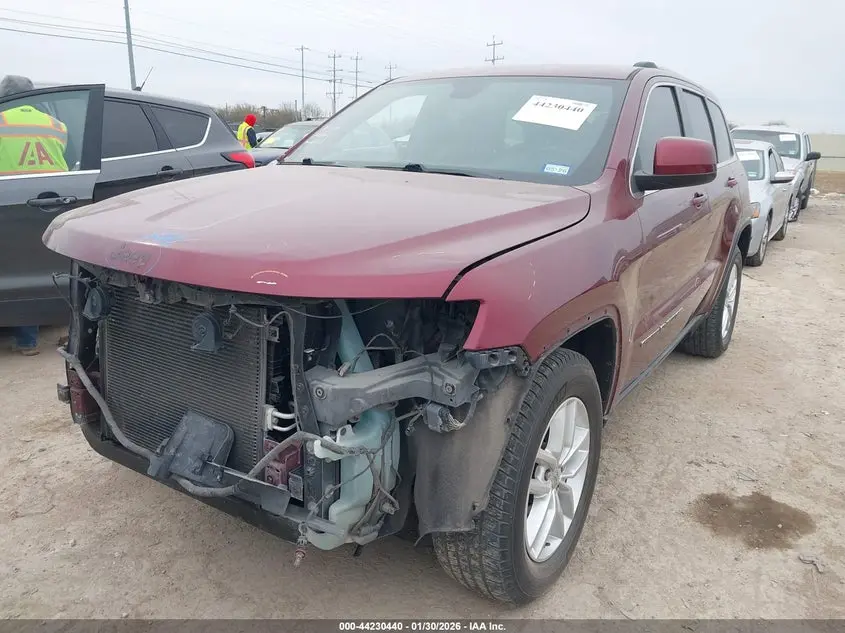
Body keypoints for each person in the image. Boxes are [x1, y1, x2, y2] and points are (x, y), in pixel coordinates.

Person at [0, 74, 70, 355]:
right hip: (58, 199)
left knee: (19, 267)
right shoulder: (56, 125)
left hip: (13, 203)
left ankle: (28, 341)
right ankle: (70, 330)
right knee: (54, 266)